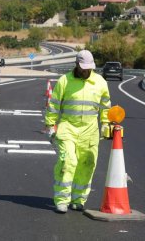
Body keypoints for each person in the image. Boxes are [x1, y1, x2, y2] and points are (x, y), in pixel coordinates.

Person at [45, 50, 111, 213]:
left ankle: (78, 199)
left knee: (87, 164)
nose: (86, 70)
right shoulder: (65, 81)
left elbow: (105, 106)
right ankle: (61, 200)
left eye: (89, 67)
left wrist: (105, 123)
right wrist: (50, 125)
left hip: (90, 131)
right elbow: (53, 105)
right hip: (68, 128)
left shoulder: (100, 82)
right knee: (68, 162)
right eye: (83, 67)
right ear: (76, 64)